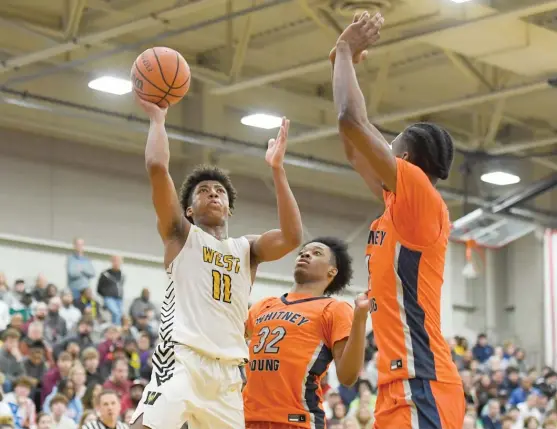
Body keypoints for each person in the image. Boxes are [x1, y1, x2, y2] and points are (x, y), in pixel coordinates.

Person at [130, 95, 303, 429]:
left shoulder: (247, 248)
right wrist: (157, 120)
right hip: (181, 358)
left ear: (229, 207)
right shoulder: (181, 235)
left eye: (219, 191)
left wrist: (278, 170)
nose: (213, 193)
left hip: (228, 373)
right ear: (190, 210)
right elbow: (156, 169)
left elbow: (293, 237)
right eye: (204, 190)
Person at [330, 11, 464, 429]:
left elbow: (353, 122)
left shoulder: (420, 197)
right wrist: (340, 61)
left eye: (391, 145)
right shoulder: (398, 205)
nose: (382, 148)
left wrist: (345, 52)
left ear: (403, 160)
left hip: (422, 382)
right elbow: (353, 143)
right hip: (397, 385)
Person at [243, 237, 370, 429]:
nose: (305, 254)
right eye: (303, 252)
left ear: (332, 271)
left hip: (296, 421)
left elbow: (347, 377)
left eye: (317, 253)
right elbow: (226, 335)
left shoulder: (333, 309)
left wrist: (360, 318)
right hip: (247, 418)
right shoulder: (264, 305)